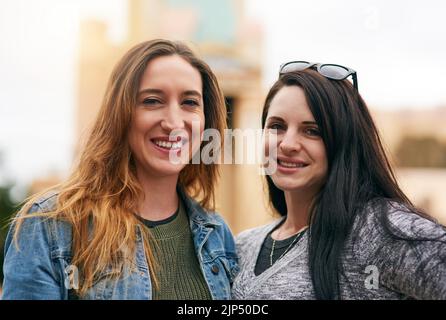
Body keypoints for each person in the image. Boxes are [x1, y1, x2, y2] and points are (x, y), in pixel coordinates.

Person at [2, 39, 238, 300]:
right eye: (152, 101)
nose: (173, 122)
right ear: (121, 114)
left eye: (190, 102)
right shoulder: (49, 226)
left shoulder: (218, 235)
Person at [232, 61, 446, 300]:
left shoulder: (377, 231)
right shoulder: (244, 245)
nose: (288, 144)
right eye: (277, 126)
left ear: (344, 143)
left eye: (312, 130)